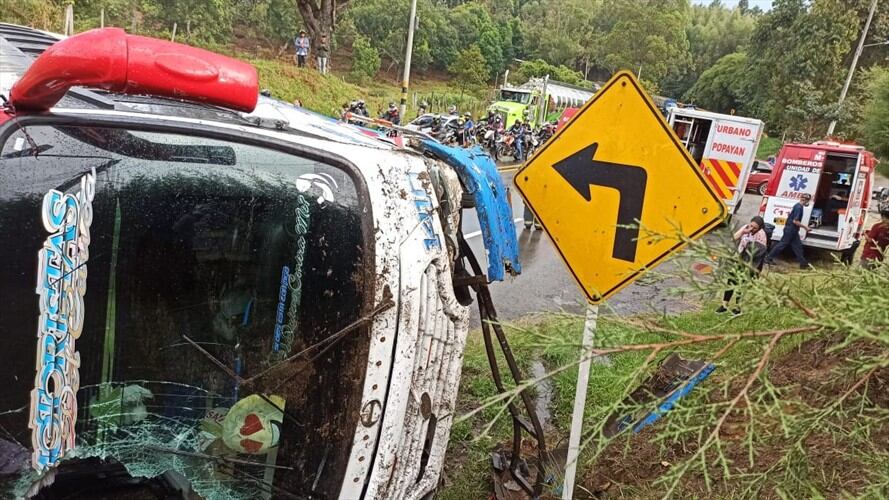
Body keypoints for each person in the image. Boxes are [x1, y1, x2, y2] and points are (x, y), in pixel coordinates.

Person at [717, 216, 768, 314]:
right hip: (739, 258)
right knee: (731, 281)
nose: (752, 229)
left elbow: (758, 253)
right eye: (751, 226)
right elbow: (733, 238)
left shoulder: (761, 235)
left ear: (760, 228)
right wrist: (743, 232)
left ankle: (737, 307)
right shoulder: (746, 228)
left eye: (755, 228)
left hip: (750, 263)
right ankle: (724, 305)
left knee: (742, 284)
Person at [766, 193, 812, 269]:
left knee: (798, 247)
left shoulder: (798, 206)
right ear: (806, 200)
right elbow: (795, 221)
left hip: (792, 230)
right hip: (791, 229)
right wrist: (805, 228)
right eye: (808, 200)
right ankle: (768, 258)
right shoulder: (799, 207)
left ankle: (803, 264)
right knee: (782, 244)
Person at [861, 202, 889, 269]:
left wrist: (864, 233)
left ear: (883, 217)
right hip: (879, 257)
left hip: (869, 255)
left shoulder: (877, 226)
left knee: (862, 273)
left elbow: (870, 240)